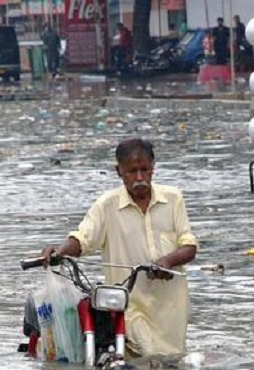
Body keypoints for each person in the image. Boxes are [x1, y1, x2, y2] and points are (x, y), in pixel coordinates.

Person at [40, 138, 198, 357]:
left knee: (171, 366)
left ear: (153, 168)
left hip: (170, 306)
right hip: (128, 303)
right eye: (132, 171)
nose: (140, 177)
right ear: (119, 171)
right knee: (147, 354)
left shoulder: (173, 199)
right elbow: (82, 237)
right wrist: (59, 252)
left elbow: (189, 245)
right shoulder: (107, 204)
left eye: (145, 169)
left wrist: (167, 261)